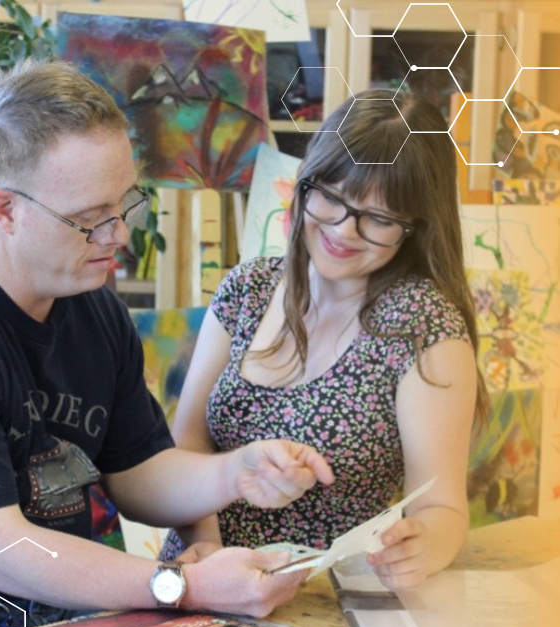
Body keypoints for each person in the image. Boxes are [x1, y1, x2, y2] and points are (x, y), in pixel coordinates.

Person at [0, 60, 335, 627]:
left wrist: (235, 474)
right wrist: (181, 586)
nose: (119, 237)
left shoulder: (87, 301)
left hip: (52, 595)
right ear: (4, 208)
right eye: (89, 220)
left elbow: (138, 471)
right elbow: (4, 554)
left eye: (125, 205)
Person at [161, 89, 489, 591]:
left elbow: (441, 507)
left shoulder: (423, 326)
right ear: (305, 183)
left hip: (319, 600)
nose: (343, 229)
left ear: (415, 229)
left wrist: (425, 544)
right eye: (332, 198)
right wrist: (203, 544)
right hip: (204, 579)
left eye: (378, 219)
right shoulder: (247, 289)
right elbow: (187, 446)